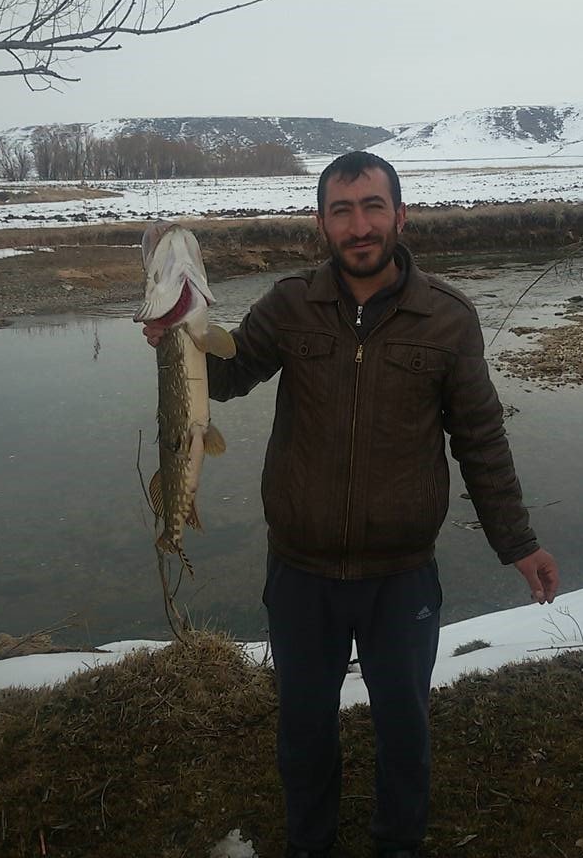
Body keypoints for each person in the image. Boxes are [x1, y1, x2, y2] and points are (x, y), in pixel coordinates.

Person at [143, 151, 559, 858]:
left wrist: (517, 543)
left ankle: (396, 845)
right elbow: (230, 373)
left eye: (372, 207)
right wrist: (174, 336)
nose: (358, 225)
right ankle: (312, 846)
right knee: (304, 733)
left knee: (406, 731)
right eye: (342, 210)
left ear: (400, 214)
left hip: (401, 576)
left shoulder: (448, 319)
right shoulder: (290, 303)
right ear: (321, 224)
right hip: (301, 573)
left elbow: (481, 438)